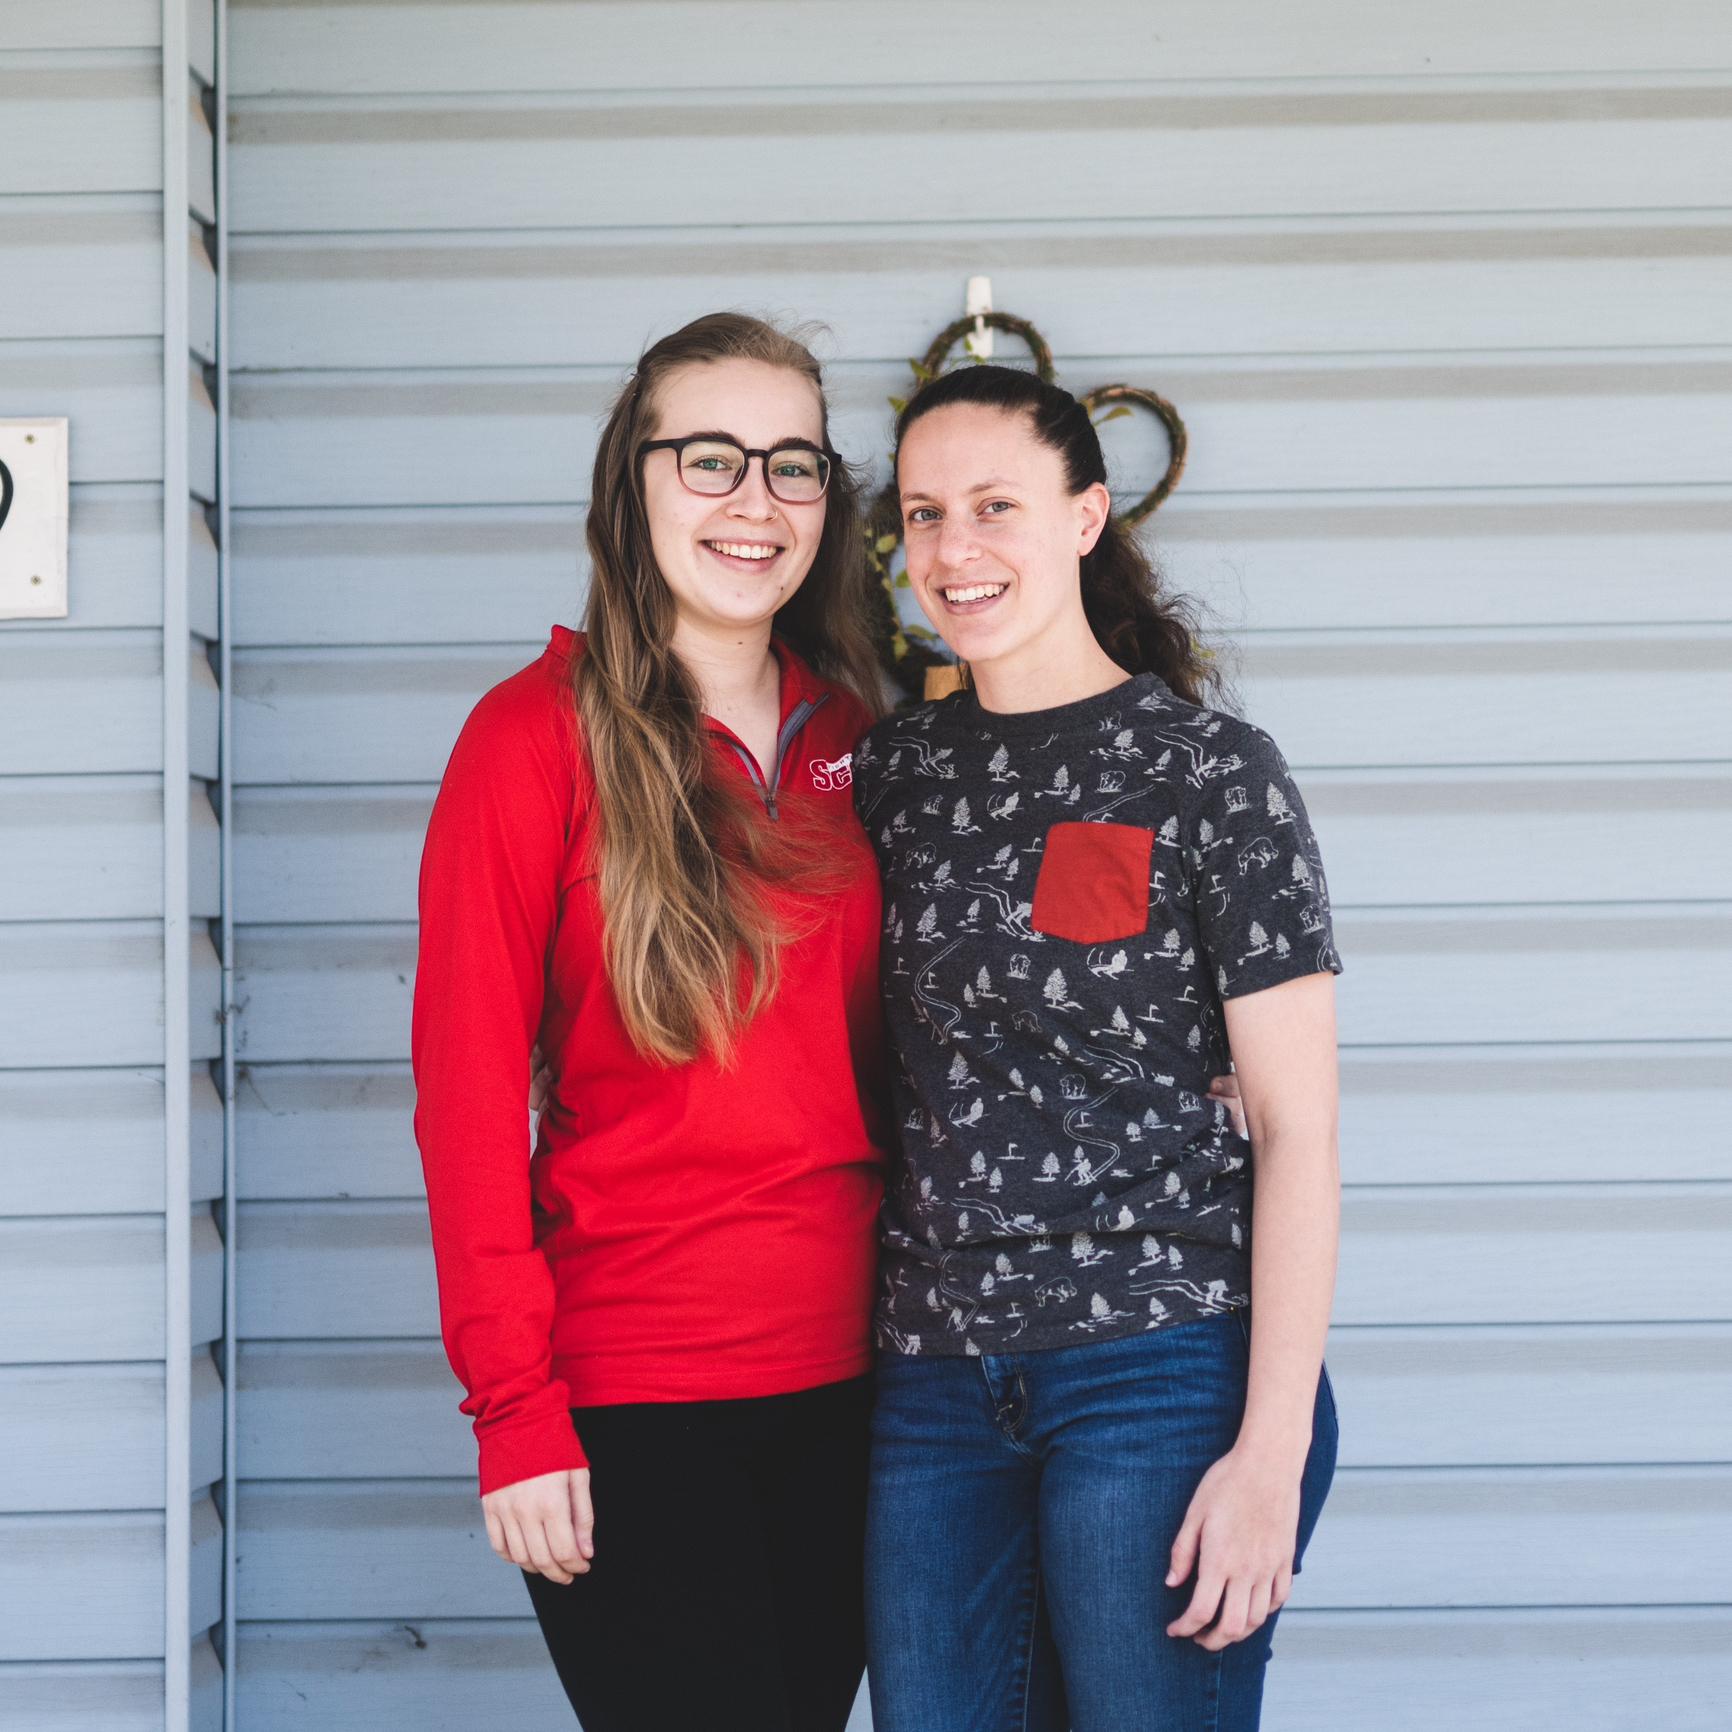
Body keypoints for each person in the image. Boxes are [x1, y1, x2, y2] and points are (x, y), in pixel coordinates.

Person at [410, 312, 893, 1732]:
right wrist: (514, 1408)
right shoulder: (531, 738)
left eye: (794, 464)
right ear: (634, 480)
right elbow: (466, 1096)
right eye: (711, 458)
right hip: (631, 1391)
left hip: (866, 1384)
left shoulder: (865, 740)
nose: (756, 500)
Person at [852, 362, 1342, 1732]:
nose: (955, 547)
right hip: (935, 1380)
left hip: (1158, 1365)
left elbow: (1297, 1129)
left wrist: (1271, 1449)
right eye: (926, 514)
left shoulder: (1210, 772)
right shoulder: (892, 777)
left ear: (1085, 515)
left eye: (995, 505)